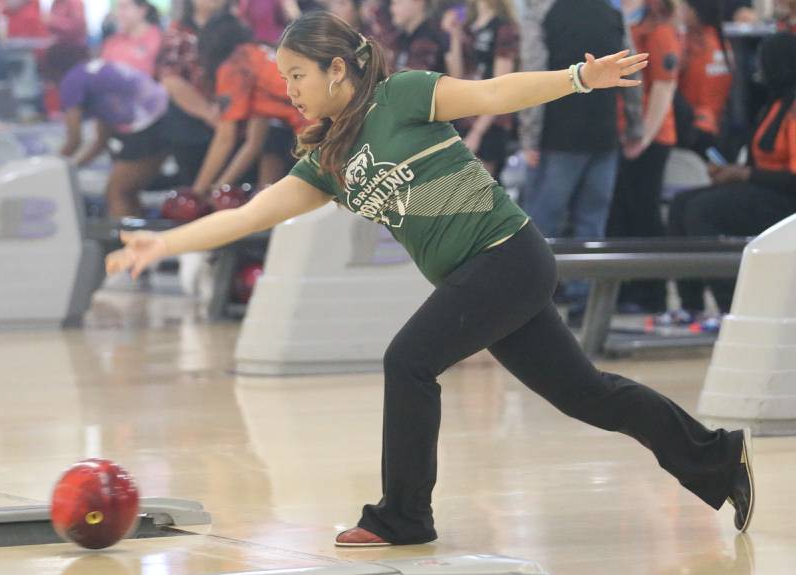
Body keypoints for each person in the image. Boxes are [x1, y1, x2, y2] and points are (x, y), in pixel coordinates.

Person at [105, 11, 754, 546]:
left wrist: (580, 77)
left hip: (508, 254)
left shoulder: (403, 96)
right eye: (285, 79)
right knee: (588, 394)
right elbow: (248, 216)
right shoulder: (328, 159)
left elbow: (495, 93)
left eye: (298, 75)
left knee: (408, 360)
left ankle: (404, 515)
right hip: (483, 274)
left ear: (338, 69)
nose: (291, 90)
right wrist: (163, 242)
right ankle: (719, 457)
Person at [518, 0, 642, 323]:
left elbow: (534, 72)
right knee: (592, 224)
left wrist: (529, 137)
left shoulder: (543, 13)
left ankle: (527, 302)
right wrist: (634, 126)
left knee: (540, 224)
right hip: (604, 133)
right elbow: (630, 69)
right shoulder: (612, 12)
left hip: (557, 135)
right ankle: (583, 304)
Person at [668, 32, 796, 318]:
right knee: (681, 204)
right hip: (763, 192)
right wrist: (731, 172)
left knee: (703, 211)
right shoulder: (775, 103)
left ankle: (730, 307)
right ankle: (690, 305)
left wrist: (744, 175)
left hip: (787, 204)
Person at [607, 0, 682, 313]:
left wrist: (644, 137)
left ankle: (652, 294)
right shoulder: (622, 22)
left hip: (651, 138)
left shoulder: (659, 29)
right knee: (621, 216)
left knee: (645, 215)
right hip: (622, 134)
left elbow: (665, 87)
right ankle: (624, 292)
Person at [190, 13, 305, 195]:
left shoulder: (235, 66)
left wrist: (197, 192)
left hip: (314, 122)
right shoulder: (258, 53)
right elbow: (253, 143)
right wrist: (219, 188)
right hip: (325, 114)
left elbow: (224, 139)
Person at [57, 58, 170, 218]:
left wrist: (51, 166)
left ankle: (124, 234)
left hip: (150, 121)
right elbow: (102, 140)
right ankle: (136, 229)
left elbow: (74, 140)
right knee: (128, 191)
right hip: (162, 115)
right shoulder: (90, 76)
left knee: (117, 192)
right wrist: (76, 165)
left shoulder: (71, 83)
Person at [155, 0, 230, 185]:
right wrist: (208, 113)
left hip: (231, 117)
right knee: (194, 181)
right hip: (190, 124)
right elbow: (170, 79)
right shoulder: (178, 32)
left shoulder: (236, 27)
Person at [443, 0, 519, 178]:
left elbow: (501, 85)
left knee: (478, 188)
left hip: (490, 122)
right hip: (465, 115)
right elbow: (456, 75)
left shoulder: (504, 27)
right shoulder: (468, 24)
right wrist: (454, 36)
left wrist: (477, 133)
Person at [675, 0, 733, 158]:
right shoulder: (723, 44)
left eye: (683, 7)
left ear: (695, 12)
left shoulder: (690, 45)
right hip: (718, 127)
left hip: (692, 130)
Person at [101, 0, 163, 76]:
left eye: (124, 7)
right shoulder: (112, 41)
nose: (118, 13)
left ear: (142, 10)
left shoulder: (159, 40)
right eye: (118, 8)